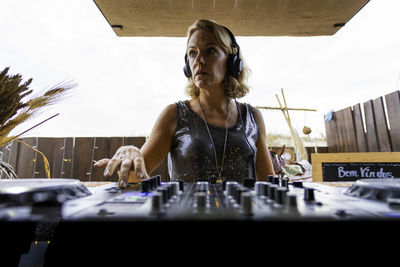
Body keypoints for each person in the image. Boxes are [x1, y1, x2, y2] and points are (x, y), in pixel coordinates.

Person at [94, 19, 275, 188]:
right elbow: (133, 180)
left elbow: (269, 185)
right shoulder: (174, 114)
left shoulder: (253, 117)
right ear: (187, 66)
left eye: (210, 50)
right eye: (192, 53)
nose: (198, 61)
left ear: (231, 61)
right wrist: (131, 151)